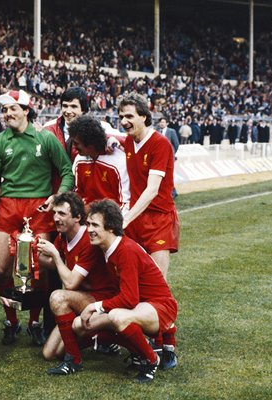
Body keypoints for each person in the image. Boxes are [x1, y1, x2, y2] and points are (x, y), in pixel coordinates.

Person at [0, 89, 74, 346]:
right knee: (3, 267)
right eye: (4, 110)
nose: (8, 114)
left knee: (39, 269)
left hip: (39, 209)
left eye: (13, 108)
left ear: (26, 110)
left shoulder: (46, 138)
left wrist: (56, 196)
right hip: (7, 208)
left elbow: (67, 172)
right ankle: (11, 321)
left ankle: (35, 323)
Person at [75, 199, 177, 383]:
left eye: (95, 225)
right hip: (139, 306)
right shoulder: (106, 249)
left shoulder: (126, 250)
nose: (89, 229)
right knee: (78, 324)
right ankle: (139, 349)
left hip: (160, 307)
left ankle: (150, 359)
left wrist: (95, 306)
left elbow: (129, 299)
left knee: (117, 317)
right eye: (88, 224)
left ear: (111, 228)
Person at [37, 192, 118, 362]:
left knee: (58, 297)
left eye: (62, 214)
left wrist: (55, 255)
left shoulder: (88, 240)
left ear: (77, 218)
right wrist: (31, 254)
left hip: (102, 298)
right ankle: (100, 337)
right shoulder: (63, 237)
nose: (56, 218)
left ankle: (75, 358)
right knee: (50, 354)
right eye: (54, 213)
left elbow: (71, 282)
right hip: (81, 299)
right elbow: (56, 265)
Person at [118, 93, 179, 277]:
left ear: (144, 116)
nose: (123, 121)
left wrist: (126, 219)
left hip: (158, 219)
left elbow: (152, 189)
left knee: (157, 281)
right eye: (121, 117)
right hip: (136, 218)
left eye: (129, 116)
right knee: (132, 277)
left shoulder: (160, 144)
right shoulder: (129, 140)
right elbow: (116, 138)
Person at [70, 115, 130, 211]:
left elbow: (126, 203)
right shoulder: (79, 160)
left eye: (76, 143)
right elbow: (78, 194)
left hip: (112, 220)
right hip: (86, 219)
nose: (73, 147)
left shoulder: (119, 162)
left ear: (90, 144)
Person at [43, 86, 89, 162]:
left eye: (73, 106)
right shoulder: (48, 128)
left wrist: (111, 140)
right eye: (65, 106)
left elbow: (111, 136)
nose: (68, 111)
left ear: (83, 110)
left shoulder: (94, 130)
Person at [157, 117, 179, 199]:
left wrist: (172, 154)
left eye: (163, 122)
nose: (161, 123)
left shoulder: (171, 131)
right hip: (160, 158)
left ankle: (173, 193)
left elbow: (176, 144)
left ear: (167, 123)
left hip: (169, 157)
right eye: (160, 122)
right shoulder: (157, 132)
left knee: (169, 175)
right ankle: (167, 192)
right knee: (162, 176)